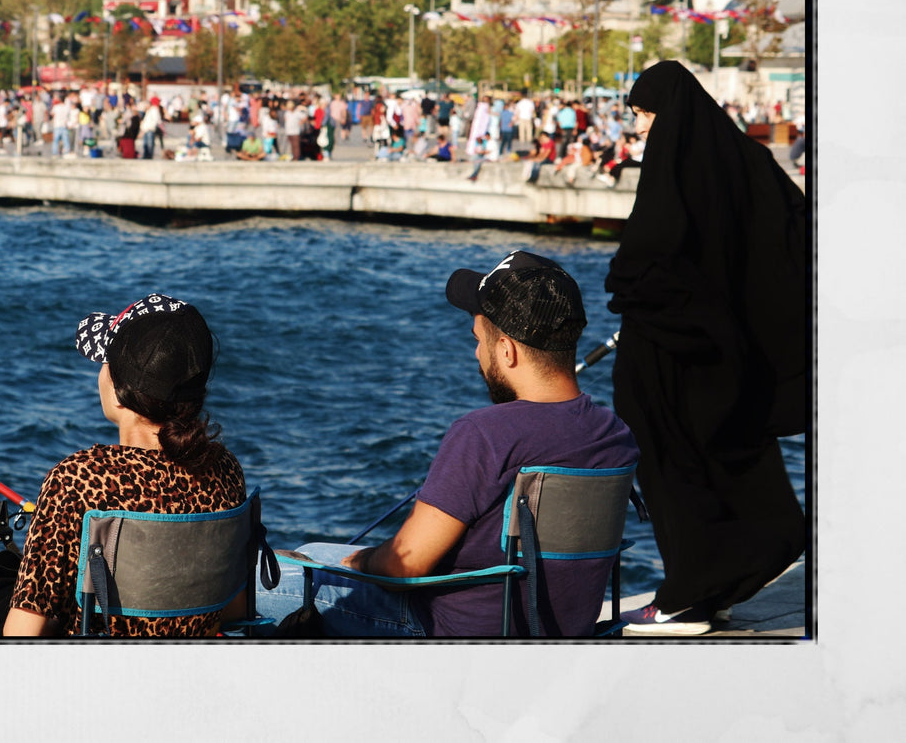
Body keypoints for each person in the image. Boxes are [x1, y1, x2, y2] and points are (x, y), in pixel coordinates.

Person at [254, 251, 637, 637]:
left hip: (445, 629)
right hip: (561, 630)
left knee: (254, 580)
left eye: (478, 340)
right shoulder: (615, 435)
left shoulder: (484, 433)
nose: (476, 354)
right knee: (313, 552)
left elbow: (404, 565)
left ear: (507, 350)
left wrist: (361, 561)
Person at [606, 61, 806, 635]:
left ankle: (684, 599)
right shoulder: (746, 161)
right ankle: (713, 591)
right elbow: (792, 235)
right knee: (726, 463)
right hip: (730, 359)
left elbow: (645, 260)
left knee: (675, 473)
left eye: (646, 113)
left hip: (670, 355)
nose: (641, 126)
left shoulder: (673, 172)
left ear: (671, 112)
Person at [4, 294, 247, 637]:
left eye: (105, 363)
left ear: (119, 390)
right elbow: (234, 608)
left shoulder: (77, 480)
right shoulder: (225, 469)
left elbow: (22, 633)